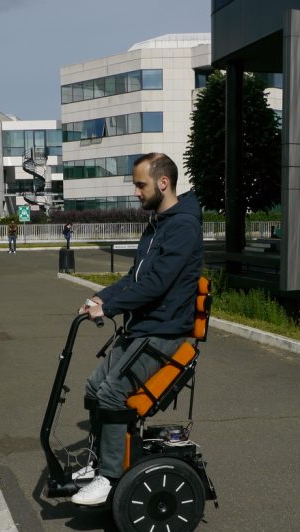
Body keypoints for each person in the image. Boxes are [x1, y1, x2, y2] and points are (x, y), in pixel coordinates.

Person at [73, 153, 203, 506]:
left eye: (140, 184)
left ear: (163, 182)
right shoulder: (158, 223)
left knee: (114, 392)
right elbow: (135, 278)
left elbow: (158, 284)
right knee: (95, 385)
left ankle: (109, 476)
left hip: (165, 332)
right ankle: (99, 460)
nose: (135, 192)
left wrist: (111, 307)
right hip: (143, 328)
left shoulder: (183, 226)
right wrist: (101, 296)